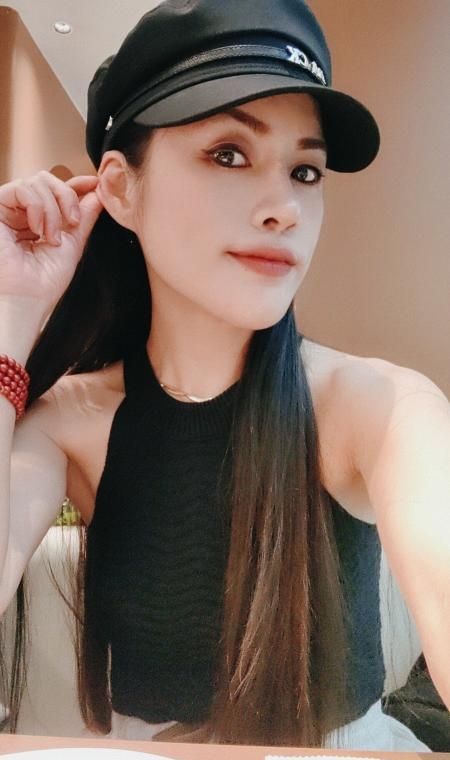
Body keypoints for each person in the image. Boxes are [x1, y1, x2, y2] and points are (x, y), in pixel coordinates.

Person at [0, 0, 448, 750]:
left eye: (305, 170)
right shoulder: (72, 421)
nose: (285, 209)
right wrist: (11, 312)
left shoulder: (379, 406)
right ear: (121, 189)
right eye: (229, 154)